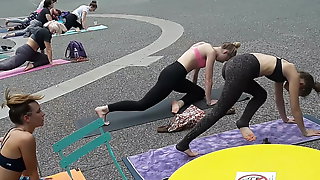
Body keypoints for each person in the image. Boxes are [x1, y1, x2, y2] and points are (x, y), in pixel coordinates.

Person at [176, 53, 320, 157]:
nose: (291, 90)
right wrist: (305, 132)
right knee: (219, 111)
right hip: (240, 69)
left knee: (261, 94)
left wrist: (285, 119)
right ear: (300, 85)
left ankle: (243, 122)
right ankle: (184, 143)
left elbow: (279, 99)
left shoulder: (285, 69)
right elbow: (296, 108)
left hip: (234, 65)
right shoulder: (293, 74)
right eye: (297, 91)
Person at [95, 42, 241, 125]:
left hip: (176, 75)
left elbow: (196, 71)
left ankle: (179, 103)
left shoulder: (204, 45)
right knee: (142, 105)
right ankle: (106, 109)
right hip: (171, 77)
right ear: (225, 52)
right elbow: (208, 78)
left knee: (198, 92)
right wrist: (209, 101)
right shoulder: (210, 52)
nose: (223, 61)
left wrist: (193, 89)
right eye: (225, 59)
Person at [0, 89, 47, 180]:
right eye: (38, 112)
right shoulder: (26, 138)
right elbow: (32, 174)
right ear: (27, 118)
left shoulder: (13, 132)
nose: (43, 114)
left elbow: (25, 172)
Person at [0, 21, 67, 71]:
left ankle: (31, 65)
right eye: (55, 31)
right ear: (52, 27)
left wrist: (44, 58)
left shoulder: (43, 30)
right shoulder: (46, 33)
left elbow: (42, 48)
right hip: (26, 52)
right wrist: (51, 62)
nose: (54, 32)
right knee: (9, 65)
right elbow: (48, 49)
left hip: (29, 52)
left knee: (45, 58)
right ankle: (32, 65)